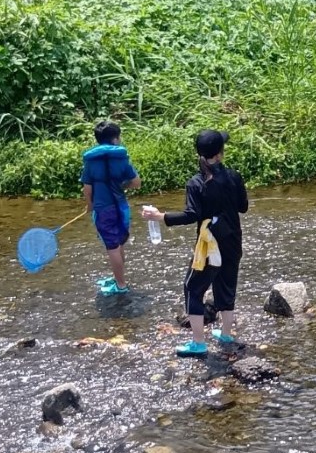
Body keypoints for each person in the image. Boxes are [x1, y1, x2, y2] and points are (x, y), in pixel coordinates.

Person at [143, 130, 248, 357]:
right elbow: (243, 207)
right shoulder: (234, 176)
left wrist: (160, 217)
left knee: (193, 288)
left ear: (199, 155)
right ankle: (226, 334)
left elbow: (191, 215)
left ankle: (198, 343)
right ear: (221, 153)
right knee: (226, 285)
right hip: (232, 240)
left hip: (209, 245)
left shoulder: (196, 183)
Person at [80, 121, 141, 296]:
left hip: (103, 209)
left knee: (112, 247)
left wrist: (90, 206)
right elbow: (137, 183)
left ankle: (121, 285)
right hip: (121, 207)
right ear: (115, 139)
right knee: (119, 243)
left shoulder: (91, 162)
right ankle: (120, 280)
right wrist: (122, 186)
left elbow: (87, 189)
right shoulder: (122, 159)